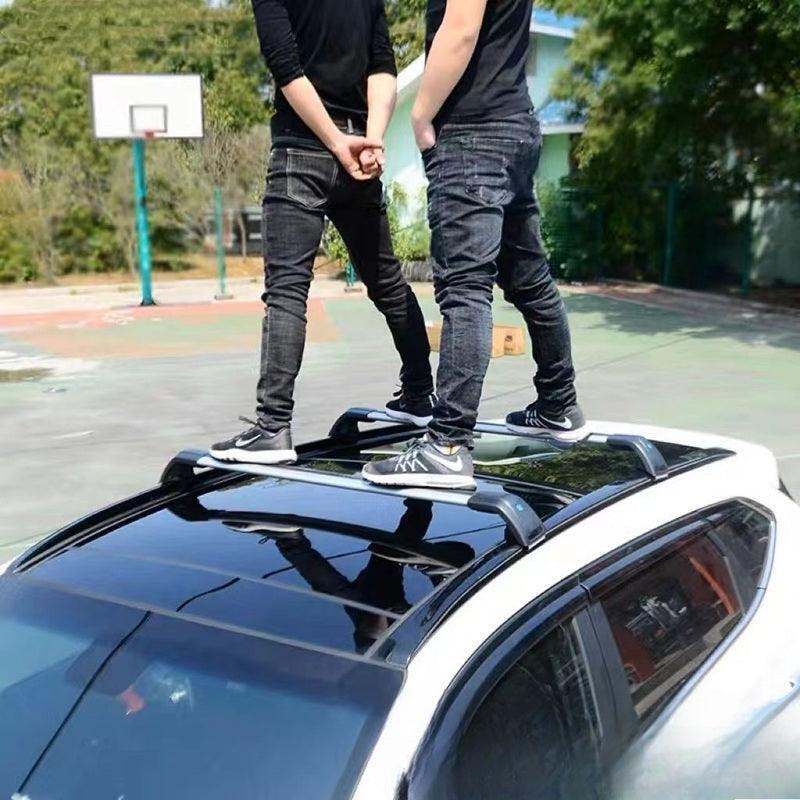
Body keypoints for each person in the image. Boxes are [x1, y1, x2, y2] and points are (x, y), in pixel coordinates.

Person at [363, 0, 585, 490]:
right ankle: (559, 405)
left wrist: (421, 115)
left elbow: (462, 28)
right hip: (516, 125)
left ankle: (447, 445)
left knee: (465, 290)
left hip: (472, 132)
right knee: (530, 281)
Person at [211, 0, 434, 465]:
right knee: (387, 282)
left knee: (287, 292)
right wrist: (371, 139)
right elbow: (383, 66)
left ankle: (273, 427)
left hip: (303, 148)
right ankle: (419, 393)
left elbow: (285, 67)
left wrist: (336, 142)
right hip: (359, 148)